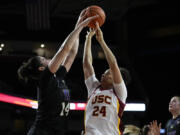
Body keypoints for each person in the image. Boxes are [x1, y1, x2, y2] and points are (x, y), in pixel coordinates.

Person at [18, 10, 98, 135]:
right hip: (41, 131)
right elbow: (65, 49)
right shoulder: (44, 78)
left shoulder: (58, 76)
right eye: (44, 59)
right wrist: (81, 26)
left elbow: (72, 54)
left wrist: (78, 25)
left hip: (58, 131)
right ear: (41, 68)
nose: (48, 58)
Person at [82, 23, 128, 135]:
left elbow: (113, 64)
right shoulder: (94, 88)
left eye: (107, 74)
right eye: (103, 73)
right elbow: (87, 64)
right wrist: (88, 39)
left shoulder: (119, 93)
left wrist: (101, 41)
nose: (103, 75)